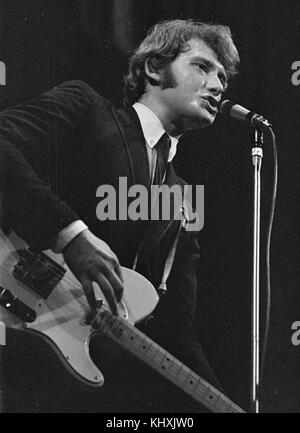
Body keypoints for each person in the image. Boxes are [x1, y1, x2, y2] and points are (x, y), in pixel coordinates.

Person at [0, 19, 239, 412]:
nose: (217, 85)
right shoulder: (87, 108)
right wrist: (70, 234)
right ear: (154, 68)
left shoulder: (182, 199)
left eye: (223, 78)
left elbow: (175, 327)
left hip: (79, 381)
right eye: (202, 67)